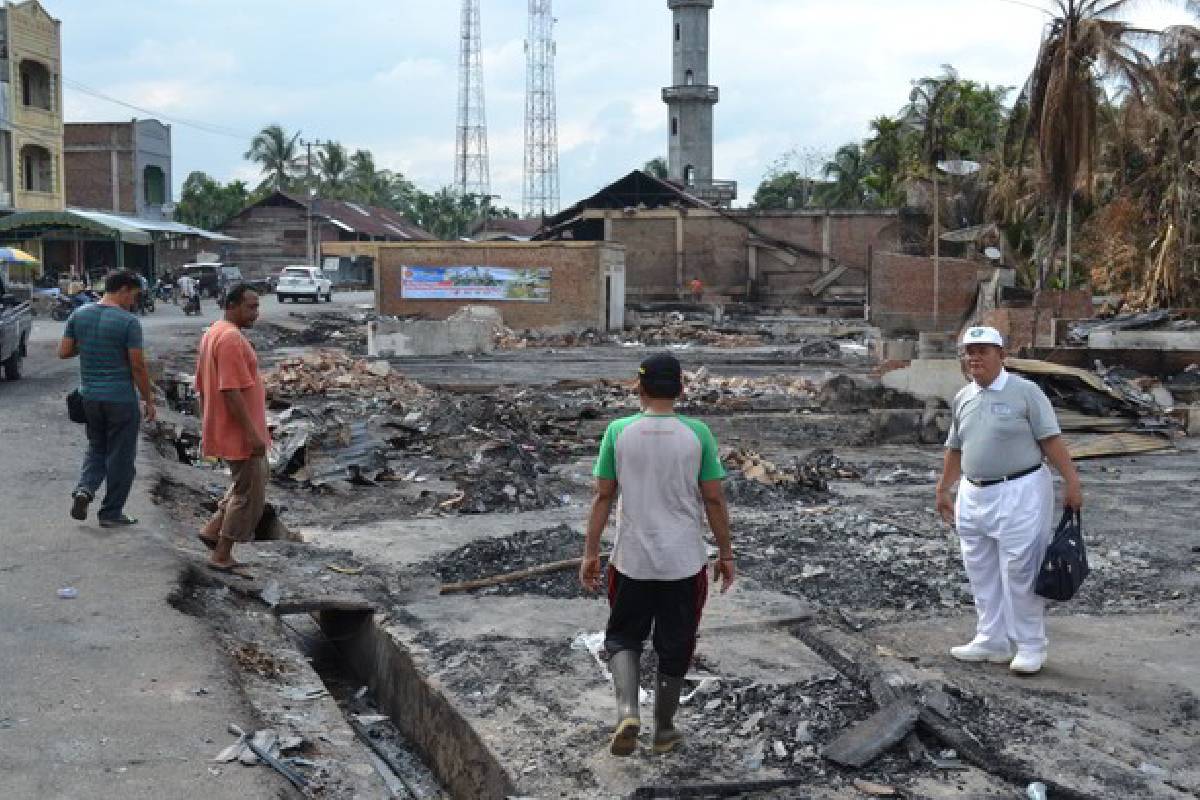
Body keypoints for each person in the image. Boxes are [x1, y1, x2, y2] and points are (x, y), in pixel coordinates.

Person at [580, 353, 735, 756]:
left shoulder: (618, 431)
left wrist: (590, 552)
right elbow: (714, 500)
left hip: (632, 559)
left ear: (640, 387)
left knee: (622, 636)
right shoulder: (697, 433)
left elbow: (603, 495)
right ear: (681, 389)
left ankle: (628, 710)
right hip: (684, 562)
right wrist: (727, 554)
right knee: (676, 642)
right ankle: (663, 728)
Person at [935, 326, 1083, 676]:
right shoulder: (963, 397)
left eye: (983, 351)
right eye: (969, 352)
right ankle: (992, 639)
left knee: (1020, 569)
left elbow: (1051, 441)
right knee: (980, 568)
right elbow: (955, 447)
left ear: (1001, 355)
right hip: (974, 492)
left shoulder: (1026, 392)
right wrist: (944, 488)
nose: (975, 358)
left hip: (1020, 490)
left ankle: (1031, 645)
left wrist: (1072, 483)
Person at [58, 270, 157, 527]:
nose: (133, 302)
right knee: (121, 457)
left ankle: (85, 489)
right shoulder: (128, 322)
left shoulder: (78, 315)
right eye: (133, 296)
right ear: (123, 290)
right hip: (120, 399)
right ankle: (111, 513)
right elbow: (137, 365)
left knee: (97, 447)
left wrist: (90, 343)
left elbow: (64, 352)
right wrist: (149, 399)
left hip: (89, 397)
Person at [194, 285, 269, 575]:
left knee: (243, 486)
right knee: (249, 494)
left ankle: (213, 530)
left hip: (226, 427)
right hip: (239, 432)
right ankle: (222, 554)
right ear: (233, 305)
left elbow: (201, 386)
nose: (256, 313)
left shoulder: (213, 332)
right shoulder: (230, 339)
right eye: (251, 307)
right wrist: (252, 433)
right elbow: (231, 390)